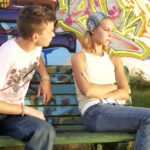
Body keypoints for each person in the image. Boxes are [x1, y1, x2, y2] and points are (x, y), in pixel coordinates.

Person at [71, 12, 150, 150]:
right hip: (94, 112)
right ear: (93, 29)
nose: (110, 35)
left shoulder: (114, 60)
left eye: (112, 31)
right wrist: (112, 87)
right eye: (106, 30)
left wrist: (99, 89)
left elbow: (125, 93)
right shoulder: (80, 58)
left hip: (115, 109)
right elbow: (87, 91)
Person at [0, 5, 56, 150]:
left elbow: (38, 58)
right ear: (35, 37)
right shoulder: (7, 54)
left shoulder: (36, 46)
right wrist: (27, 110)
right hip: (8, 112)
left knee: (44, 131)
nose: (54, 35)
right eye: (50, 31)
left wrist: (45, 77)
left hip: (13, 116)